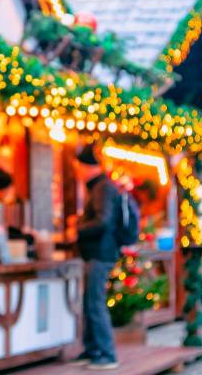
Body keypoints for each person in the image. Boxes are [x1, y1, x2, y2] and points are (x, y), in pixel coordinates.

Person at [71, 144, 120, 370]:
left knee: (95, 303)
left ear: (87, 167)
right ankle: (93, 350)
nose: (77, 172)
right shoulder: (99, 188)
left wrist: (78, 229)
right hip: (97, 253)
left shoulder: (102, 188)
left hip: (101, 254)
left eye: (79, 167)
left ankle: (107, 354)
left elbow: (103, 221)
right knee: (91, 302)